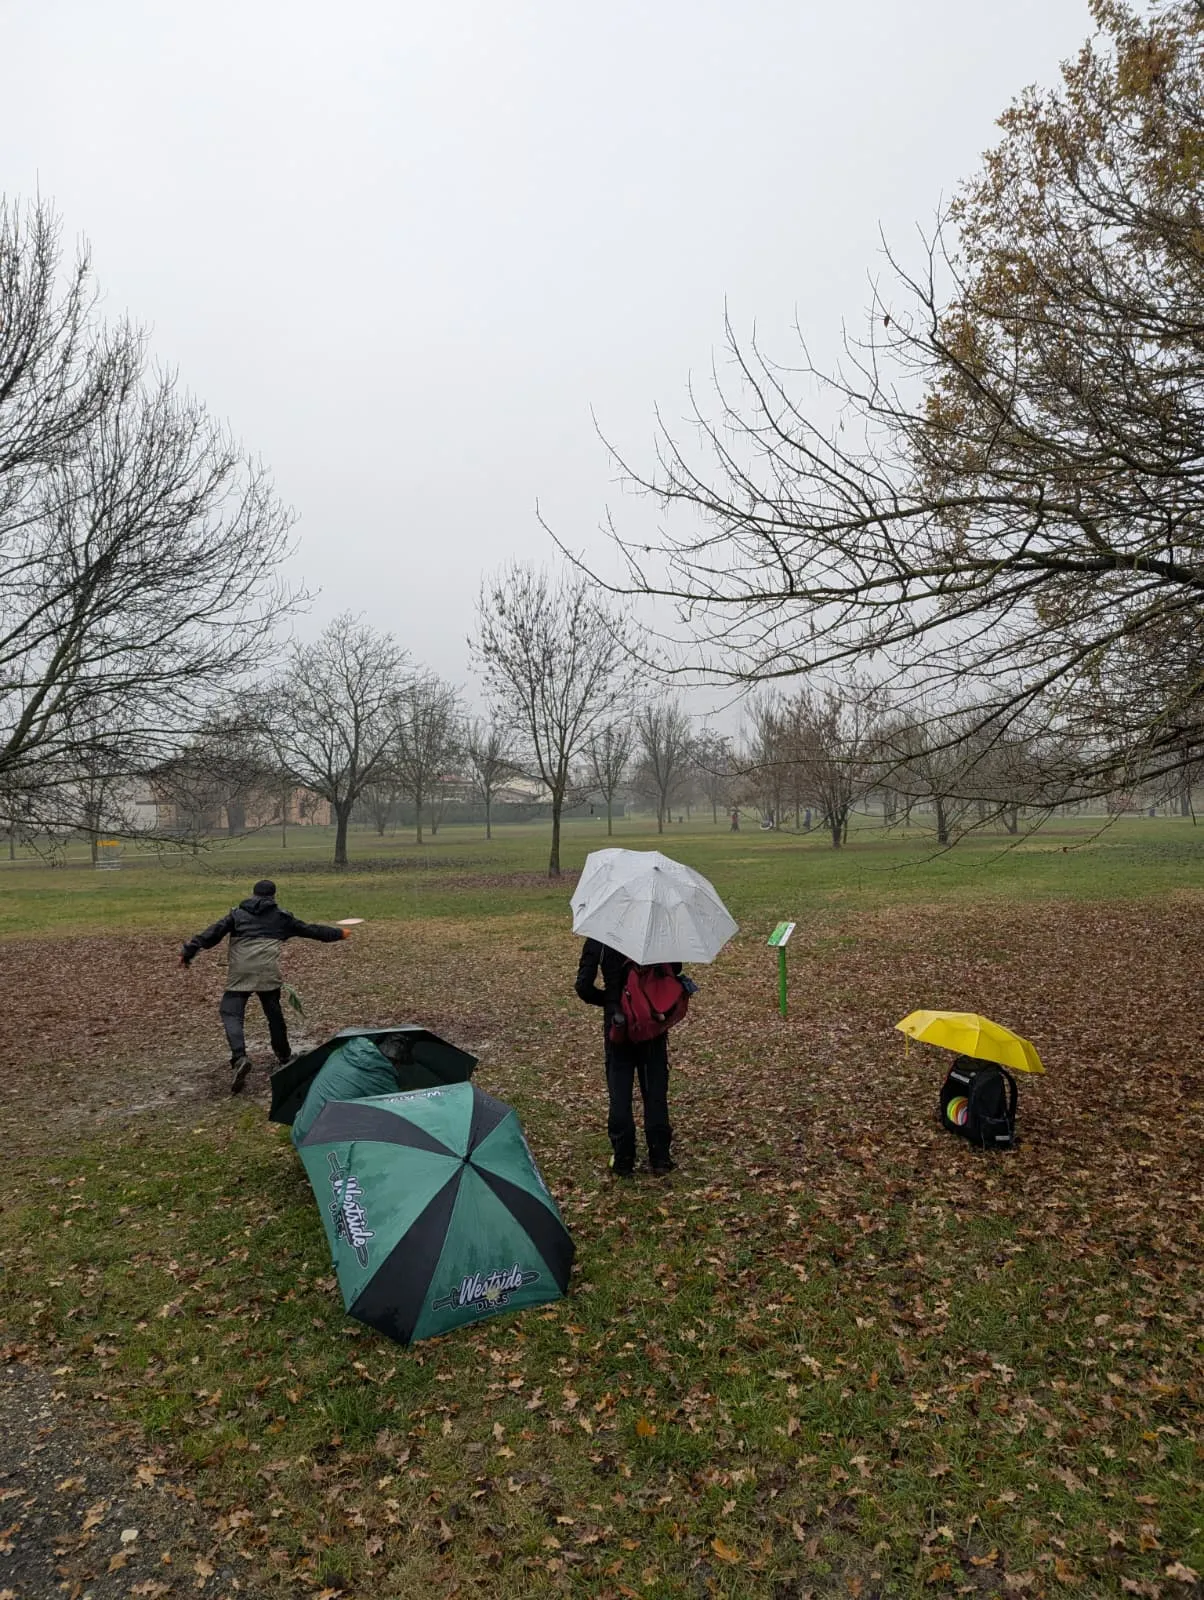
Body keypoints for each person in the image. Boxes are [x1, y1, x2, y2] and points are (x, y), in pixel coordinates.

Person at [179, 879, 349, 1093]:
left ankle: (239, 1057)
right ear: (273, 896)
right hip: (267, 972)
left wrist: (188, 952)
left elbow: (210, 935)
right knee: (273, 1014)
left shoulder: (236, 915)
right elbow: (311, 930)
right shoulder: (281, 917)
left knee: (231, 1013)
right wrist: (339, 934)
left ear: (253, 894)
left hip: (240, 972)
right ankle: (284, 1055)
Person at [575, 940, 681, 1178]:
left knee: (619, 1089)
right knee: (654, 1088)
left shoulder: (600, 937)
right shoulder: (655, 932)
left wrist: (611, 999)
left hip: (618, 1025)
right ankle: (660, 1156)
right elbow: (674, 968)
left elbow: (583, 986)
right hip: (652, 1021)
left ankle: (623, 1157)